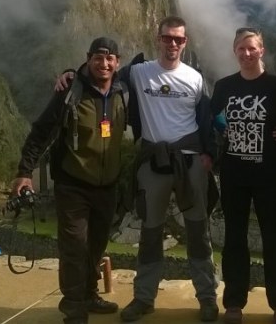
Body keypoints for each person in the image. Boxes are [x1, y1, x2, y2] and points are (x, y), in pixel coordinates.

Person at [56, 17, 218, 322]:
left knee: (198, 232)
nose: (172, 44)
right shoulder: (139, 73)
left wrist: (209, 154)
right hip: (153, 161)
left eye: (178, 40)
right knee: (150, 232)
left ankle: (207, 298)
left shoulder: (195, 79)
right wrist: (71, 74)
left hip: (190, 162)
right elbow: (99, 75)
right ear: (157, 39)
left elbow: (206, 119)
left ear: (185, 43)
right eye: (167, 38)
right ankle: (144, 298)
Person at [14, 37, 128, 324]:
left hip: (107, 185)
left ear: (117, 63)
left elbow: (147, 67)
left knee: (97, 245)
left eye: (110, 59)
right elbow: (41, 132)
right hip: (73, 183)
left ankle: (89, 294)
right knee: (75, 246)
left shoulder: (123, 91)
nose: (104, 64)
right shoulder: (70, 92)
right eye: (98, 58)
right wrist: (25, 173)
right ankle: (73, 306)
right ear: (88, 59)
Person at [210, 28, 276, 324]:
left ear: (261, 50)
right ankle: (233, 302)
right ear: (234, 51)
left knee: (274, 237)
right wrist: (223, 131)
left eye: (251, 48)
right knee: (234, 237)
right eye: (241, 49)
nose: (246, 54)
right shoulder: (224, 86)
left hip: (268, 172)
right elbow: (213, 115)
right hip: (234, 173)